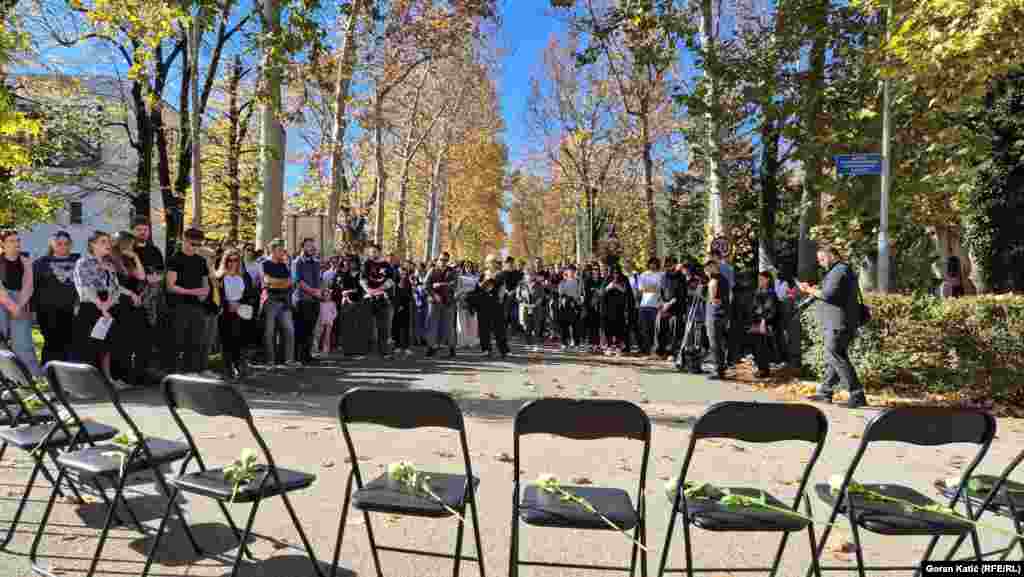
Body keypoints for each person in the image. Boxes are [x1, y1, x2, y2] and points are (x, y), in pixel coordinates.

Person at [801, 243, 867, 408]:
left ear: (831, 255)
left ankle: (856, 393)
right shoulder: (840, 270)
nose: (821, 263)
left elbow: (828, 295)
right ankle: (825, 392)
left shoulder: (839, 270)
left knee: (835, 355)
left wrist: (809, 290)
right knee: (835, 357)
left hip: (839, 322)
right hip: (841, 321)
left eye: (822, 259)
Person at [72, 231, 120, 382]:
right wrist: (102, 307)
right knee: (88, 345)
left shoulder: (109, 264)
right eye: (103, 242)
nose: (108, 245)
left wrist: (108, 304)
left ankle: (107, 378)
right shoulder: (83, 262)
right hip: (91, 306)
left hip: (108, 305)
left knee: (107, 345)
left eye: (108, 242)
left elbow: (116, 287)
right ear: (92, 244)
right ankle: (87, 381)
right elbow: (86, 287)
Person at [165, 228, 211, 374]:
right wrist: (193, 292)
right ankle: (175, 373)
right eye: (192, 244)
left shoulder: (201, 260)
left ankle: (194, 371)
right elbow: (170, 286)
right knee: (177, 340)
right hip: (179, 305)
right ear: (184, 240)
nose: (195, 248)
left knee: (196, 340)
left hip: (198, 306)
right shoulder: (175, 259)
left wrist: (204, 293)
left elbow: (205, 283)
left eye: (198, 245)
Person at [32, 231, 79, 365]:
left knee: (71, 343)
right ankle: (50, 373)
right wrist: (33, 311)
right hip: (48, 311)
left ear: (71, 245)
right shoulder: (40, 263)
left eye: (66, 243)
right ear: (52, 244)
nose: (63, 246)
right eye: (59, 243)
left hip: (73, 310)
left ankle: (68, 375)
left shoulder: (78, 261)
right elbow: (33, 288)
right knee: (52, 343)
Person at [0, 230, 41, 376]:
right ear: (2, 244)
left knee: (23, 343)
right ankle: (7, 380)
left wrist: (19, 306)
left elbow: (29, 286)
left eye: (17, 241)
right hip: (2, 302)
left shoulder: (26, 262)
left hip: (21, 303)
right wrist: (11, 306)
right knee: (1, 343)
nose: (16, 244)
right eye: (11, 241)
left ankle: (32, 379)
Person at [212, 248, 257, 381]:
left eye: (235, 260)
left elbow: (252, 295)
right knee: (227, 341)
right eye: (229, 260)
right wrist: (227, 304)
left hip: (241, 312)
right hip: (225, 313)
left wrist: (239, 303)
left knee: (240, 341)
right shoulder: (219, 276)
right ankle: (227, 369)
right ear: (224, 261)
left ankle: (240, 367)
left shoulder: (245, 276)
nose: (232, 263)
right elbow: (217, 296)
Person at [110, 231, 147, 388]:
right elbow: (113, 284)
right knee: (119, 343)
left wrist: (136, 258)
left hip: (132, 304)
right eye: (129, 243)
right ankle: (117, 376)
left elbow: (141, 276)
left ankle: (127, 376)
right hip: (118, 303)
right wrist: (131, 294)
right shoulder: (111, 259)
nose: (131, 247)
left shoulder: (129, 260)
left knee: (130, 342)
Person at [261, 238, 297, 368]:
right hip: (271, 301)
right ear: (273, 250)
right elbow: (267, 281)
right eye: (280, 249)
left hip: (285, 301)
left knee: (289, 330)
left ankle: (289, 360)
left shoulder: (284, 265)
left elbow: (290, 282)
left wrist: (277, 283)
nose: (283, 252)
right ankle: (270, 361)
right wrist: (279, 283)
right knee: (269, 332)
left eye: (283, 249)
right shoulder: (265, 263)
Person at [292, 238, 322, 365]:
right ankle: (298, 357)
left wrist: (320, 292)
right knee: (301, 329)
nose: (311, 248)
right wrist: (313, 291)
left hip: (315, 300)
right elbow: (298, 281)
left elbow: (318, 280)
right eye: (308, 246)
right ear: (302, 247)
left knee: (310, 329)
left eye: (312, 246)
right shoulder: (297, 262)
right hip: (302, 300)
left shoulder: (316, 262)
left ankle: (307, 355)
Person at [361, 244, 394, 360]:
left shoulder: (386, 265)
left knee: (383, 327)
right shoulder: (366, 264)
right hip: (369, 297)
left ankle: (383, 352)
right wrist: (369, 290)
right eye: (371, 252)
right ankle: (366, 351)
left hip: (382, 298)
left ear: (379, 252)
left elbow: (391, 280)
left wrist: (379, 290)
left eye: (374, 252)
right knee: (367, 325)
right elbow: (362, 279)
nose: (372, 254)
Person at [425, 253, 457, 358]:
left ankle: (451, 348)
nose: (443, 262)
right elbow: (426, 285)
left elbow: (454, 284)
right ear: (438, 259)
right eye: (441, 259)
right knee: (432, 326)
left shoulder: (452, 271)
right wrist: (434, 294)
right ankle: (431, 347)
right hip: (434, 302)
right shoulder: (432, 270)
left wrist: (439, 284)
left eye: (445, 260)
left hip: (448, 302)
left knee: (449, 327)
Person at [478, 255, 509, 359]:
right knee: (484, 328)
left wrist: (487, 284)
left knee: (499, 328)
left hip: (496, 303)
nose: (491, 264)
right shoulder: (483, 274)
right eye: (489, 262)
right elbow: (479, 287)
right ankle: (486, 349)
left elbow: (498, 287)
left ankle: (503, 350)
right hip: (484, 303)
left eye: (493, 262)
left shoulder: (500, 274)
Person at [749, 270, 779, 379]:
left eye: (762, 279)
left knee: (762, 347)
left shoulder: (771, 293)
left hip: (764, 323)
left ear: (768, 279)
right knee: (756, 347)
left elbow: (770, 310)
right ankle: (760, 368)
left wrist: (763, 321)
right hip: (756, 322)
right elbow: (755, 307)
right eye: (759, 279)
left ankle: (764, 370)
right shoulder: (759, 291)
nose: (759, 281)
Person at [704, 260, 730, 380]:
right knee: (719, 343)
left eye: (707, 269)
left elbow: (714, 299)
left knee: (715, 343)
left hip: (715, 315)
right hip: (722, 314)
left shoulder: (714, 281)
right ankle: (720, 368)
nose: (706, 271)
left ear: (712, 268)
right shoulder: (724, 279)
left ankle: (718, 370)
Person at [636, 257, 663, 356]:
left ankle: (654, 349)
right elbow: (641, 289)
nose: (653, 265)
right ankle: (646, 349)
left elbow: (659, 289)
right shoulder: (643, 274)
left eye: (655, 263)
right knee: (644, 328)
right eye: (651, 263)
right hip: (644, 304)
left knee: (655, 329)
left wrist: (649, 288)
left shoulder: (661, 275)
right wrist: (652, 288)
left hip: (656, 305)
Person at [518, 268, 547, 352]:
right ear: (525, 276)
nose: (529, 276)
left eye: (531, 274)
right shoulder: (521, 284)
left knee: (536, 327)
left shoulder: (539, 285)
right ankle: (528, 343)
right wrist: (523, 303)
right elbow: (518, 296)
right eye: (527, 274)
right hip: (525, 308)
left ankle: (536, 344)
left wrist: (535, 304)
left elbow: (542, 296)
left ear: (534, 276)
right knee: (527, 327)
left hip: (536, 308)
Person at [602, 270, 630, 356]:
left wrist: (618, 286)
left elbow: (627, 293)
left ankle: (618, 348)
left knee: (619, 329)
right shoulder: (607, 280)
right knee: (608, 329)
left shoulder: (624, 280)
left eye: (617, 273)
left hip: (619, 310)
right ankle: (609, 347)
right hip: (608, 309)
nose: (615, 274)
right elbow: (601, 292)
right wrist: (609, 287)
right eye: (613, 273)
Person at [557, 264, 583, 351]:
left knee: (576, 326)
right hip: (565, 306)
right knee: (564, 326)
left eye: (573, 271)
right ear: (566, 272)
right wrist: (566, 299)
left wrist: (578, 300)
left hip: (575, 305)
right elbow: (560, 294)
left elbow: (581, 294)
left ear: (575, 272)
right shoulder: (562, 282)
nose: (571, 272)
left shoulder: (579, 281)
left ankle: (576, 344)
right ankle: (564, 343)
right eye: (569, 271)